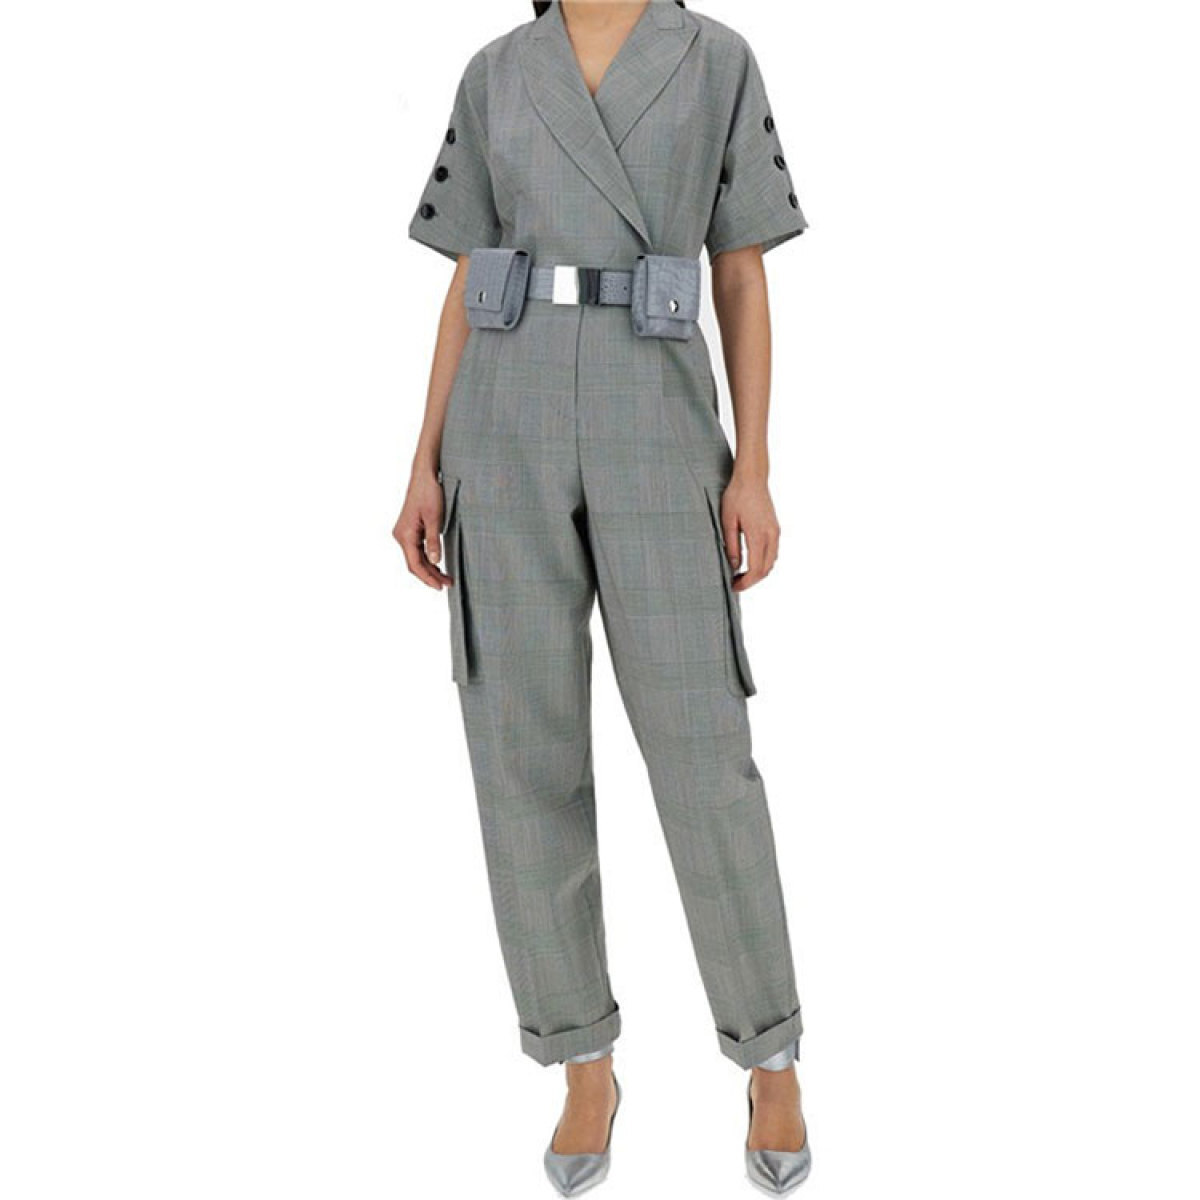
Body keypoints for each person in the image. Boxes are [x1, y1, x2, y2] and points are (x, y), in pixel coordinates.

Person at [393, 1, 812, 1193]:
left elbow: (741, 272)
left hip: (657, 412)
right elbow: (469, 274)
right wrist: (423, 461)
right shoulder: (496, 69)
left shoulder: (716, 59)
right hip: (504, 416)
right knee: (521, 753)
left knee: (703, 754)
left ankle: (769, 1051)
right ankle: (581, 1058)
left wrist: (754, 465)